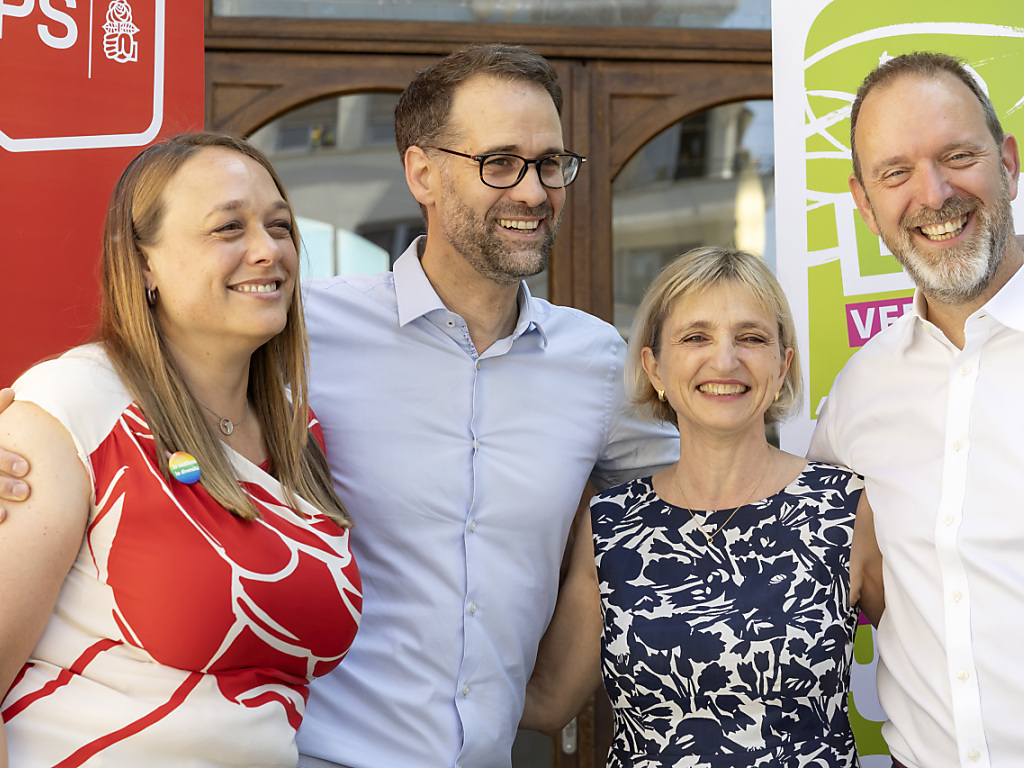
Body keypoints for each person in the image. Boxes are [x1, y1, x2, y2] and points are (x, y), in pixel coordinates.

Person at [0, 44, 679, 768]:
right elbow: (131, 382)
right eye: (501, 163)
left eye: (550, 164)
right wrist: (27, 424)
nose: (534, 191)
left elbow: (707, 480)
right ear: (421, 172)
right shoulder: (293, 331)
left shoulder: (595, 361)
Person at [0, 133, 362, 767]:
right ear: (143, 264)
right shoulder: (74, 406)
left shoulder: (296, 429)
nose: (267, 250)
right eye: (228, 227)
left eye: (279, 226)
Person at [519, 246, 884, 766]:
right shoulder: (611, 525)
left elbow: (934, 674)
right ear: (655, 368)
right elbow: (550, 700)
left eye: (751, 338)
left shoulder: (843, 508)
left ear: (782, 365)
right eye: (696, 337)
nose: (725, 360)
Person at [807, 52, 1024, 768]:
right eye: (895, 172)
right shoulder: (859, 394)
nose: (934, 194)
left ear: (1008, 163)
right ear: (865, 205)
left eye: (958, 156)